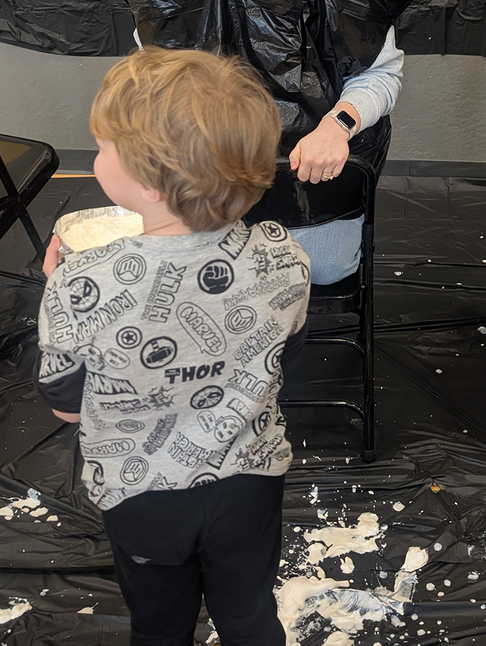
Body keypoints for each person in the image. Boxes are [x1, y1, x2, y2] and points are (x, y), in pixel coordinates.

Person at [70, 0, 435, 285]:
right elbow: (154, 76)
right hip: (208, 167)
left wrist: (337, 127)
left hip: (309, 166)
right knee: (187, 269)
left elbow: (379, 74)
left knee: (318, 269)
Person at [35, 48, 309, 646]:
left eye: (103, 147)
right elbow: (279, 359)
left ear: (150, 184)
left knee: (160, 628)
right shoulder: (285, 255)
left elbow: (67, 407)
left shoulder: (81, 283)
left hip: (142, 497)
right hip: (251, 484)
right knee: (250, 619)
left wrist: (62, 293)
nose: (96, 156)